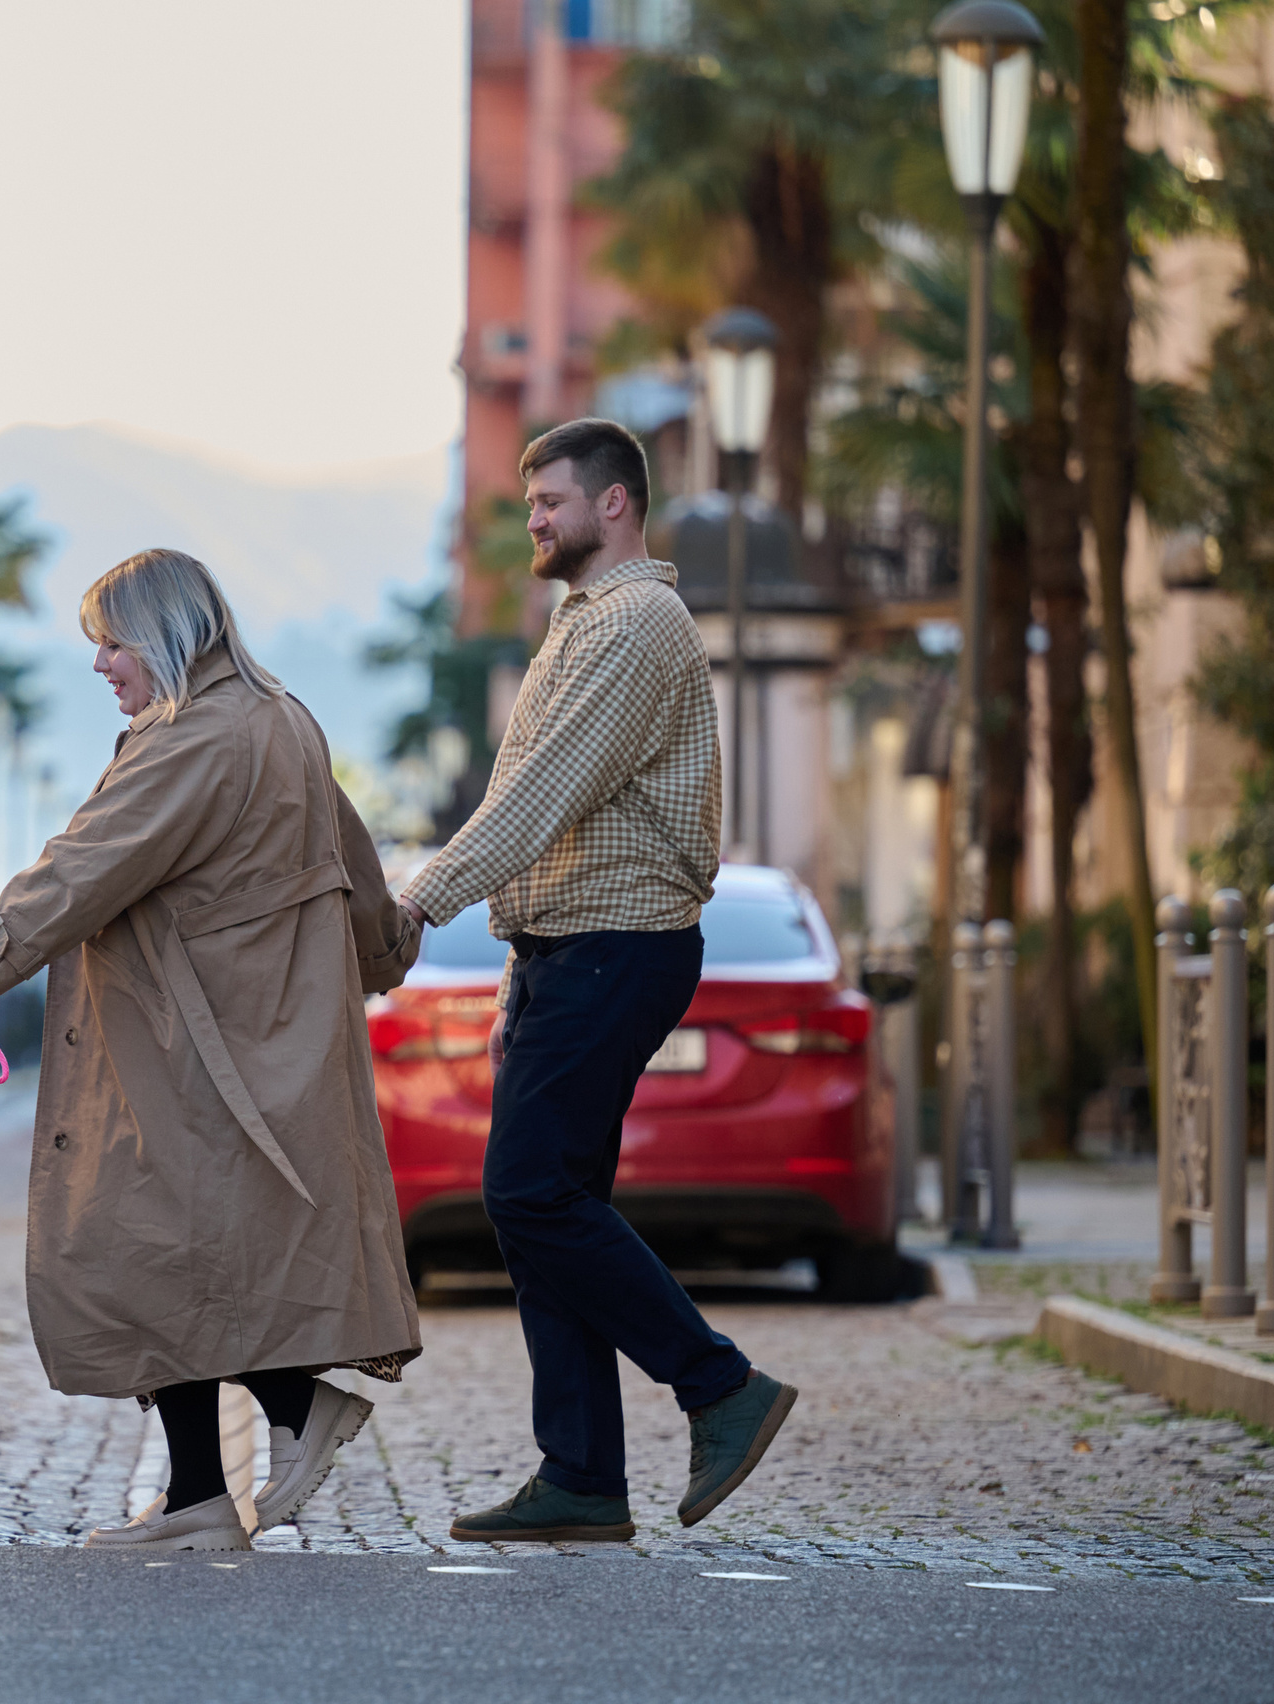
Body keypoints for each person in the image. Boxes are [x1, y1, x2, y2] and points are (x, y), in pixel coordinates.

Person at [0, 547, 423, 1553]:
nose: (100, 664)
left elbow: (82, 867)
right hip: (256, 1038)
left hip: (184, 1048)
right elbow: (353, 866)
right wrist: (379, 953)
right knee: (180, 1257)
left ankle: (280, 1423)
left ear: (163, 635)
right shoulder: (280, 718)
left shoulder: (190, 739)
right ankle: (207, 1486)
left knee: (131, 1244)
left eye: (110, 642)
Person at [396, 418, 797, 1544]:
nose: (534, 517)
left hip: (616, 946)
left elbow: (538, 796)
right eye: (529, 501)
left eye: (552, 500)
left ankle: (718, 1385)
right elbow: (533, 790)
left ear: (614, 503)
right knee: (546, 1210)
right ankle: (579, 1476)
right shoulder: (584, 624)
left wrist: (419, 899)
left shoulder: (634, 624)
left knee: (528, 1195)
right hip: (566, 950)